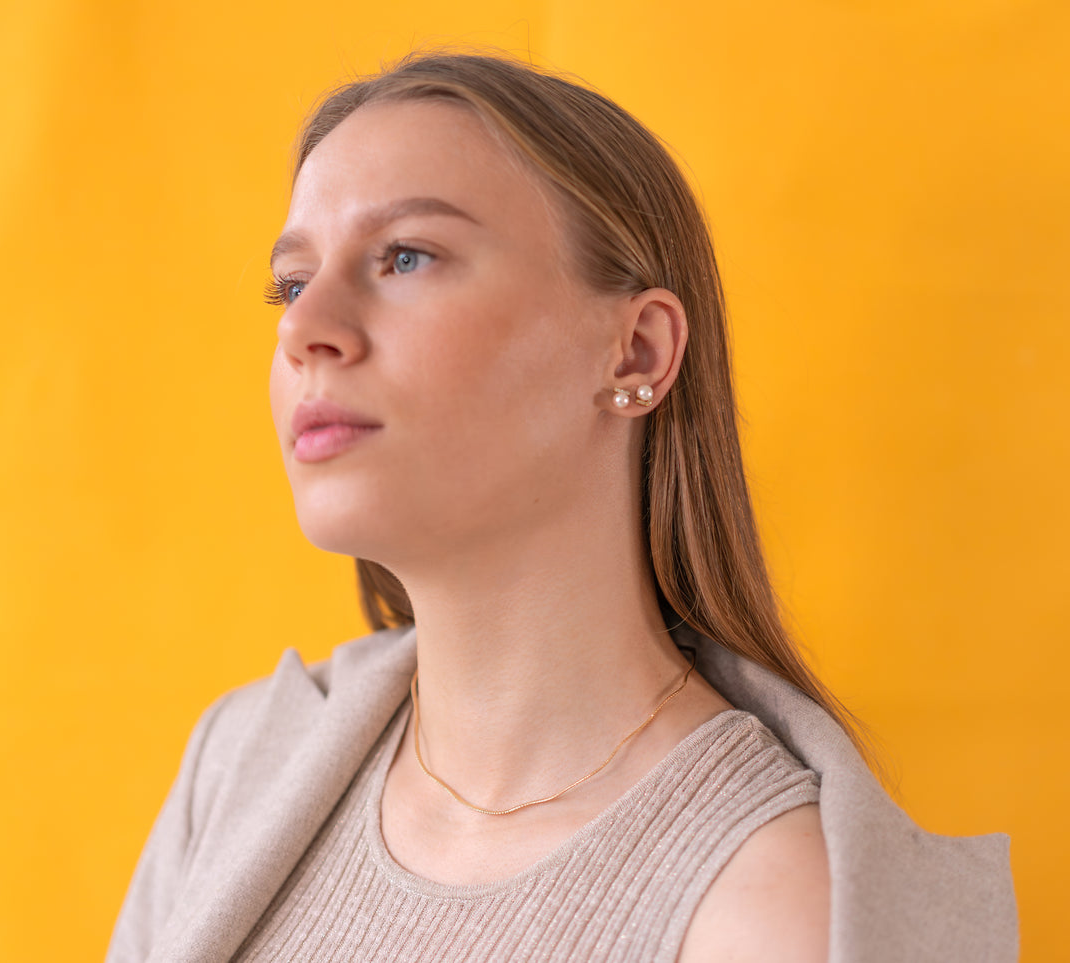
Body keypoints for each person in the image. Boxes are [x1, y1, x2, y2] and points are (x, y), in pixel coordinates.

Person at [106, 51, 1017, 963]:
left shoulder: (768, 908)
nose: (302, 331)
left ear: (635, 354)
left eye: (405, 256)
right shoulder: (238, 767)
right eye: (292, 283)